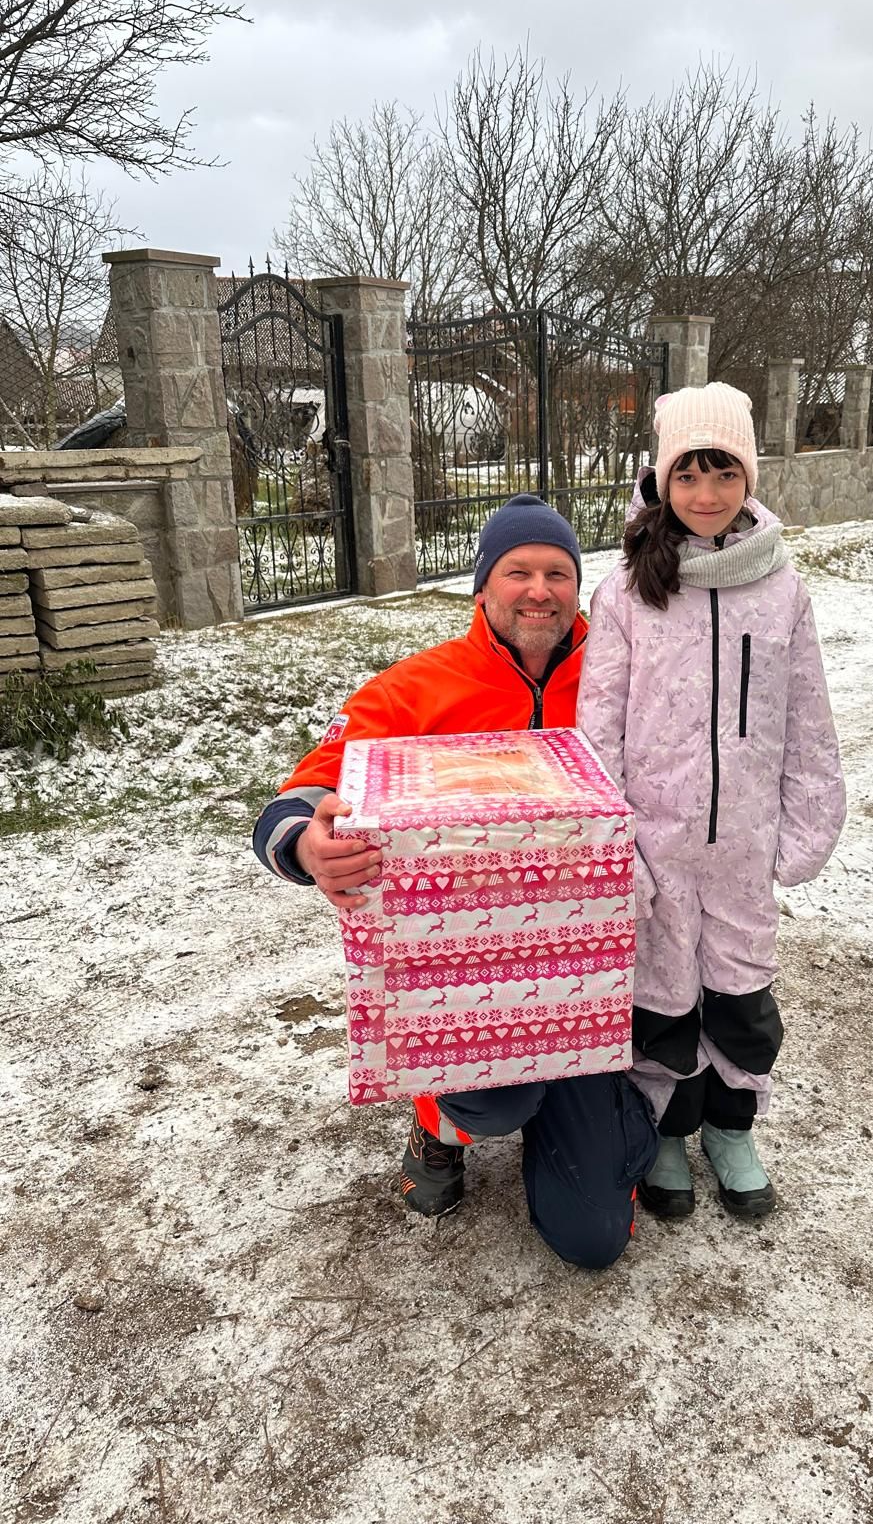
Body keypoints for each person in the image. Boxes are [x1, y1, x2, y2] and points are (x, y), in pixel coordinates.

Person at [252, 493, 658, 1269]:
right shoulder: (417, 688)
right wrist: (305, 844)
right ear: (482, 586)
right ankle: (444, 1125)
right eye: (517, 571)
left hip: (584, 979)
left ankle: (603, 1108)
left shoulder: (617, 676)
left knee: (593, 1240)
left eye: (557, 573)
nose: (538, 590)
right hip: (465, 978)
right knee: (496, 1096)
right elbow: (303, 793)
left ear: (579, 587)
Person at [577, 382, 846, 1221]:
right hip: (656, 850)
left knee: (739, 1001)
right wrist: (612, 842)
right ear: (661, 481)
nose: (704, 494)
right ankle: (666, 1131)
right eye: (687, 475)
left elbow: (806, 714)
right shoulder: (625, 594)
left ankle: (731, 1127)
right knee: (662, 1003)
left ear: (747, 479)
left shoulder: (783, 591)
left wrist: (808, 818)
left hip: (741, 852)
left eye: (722, 473)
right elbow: (599, 732)